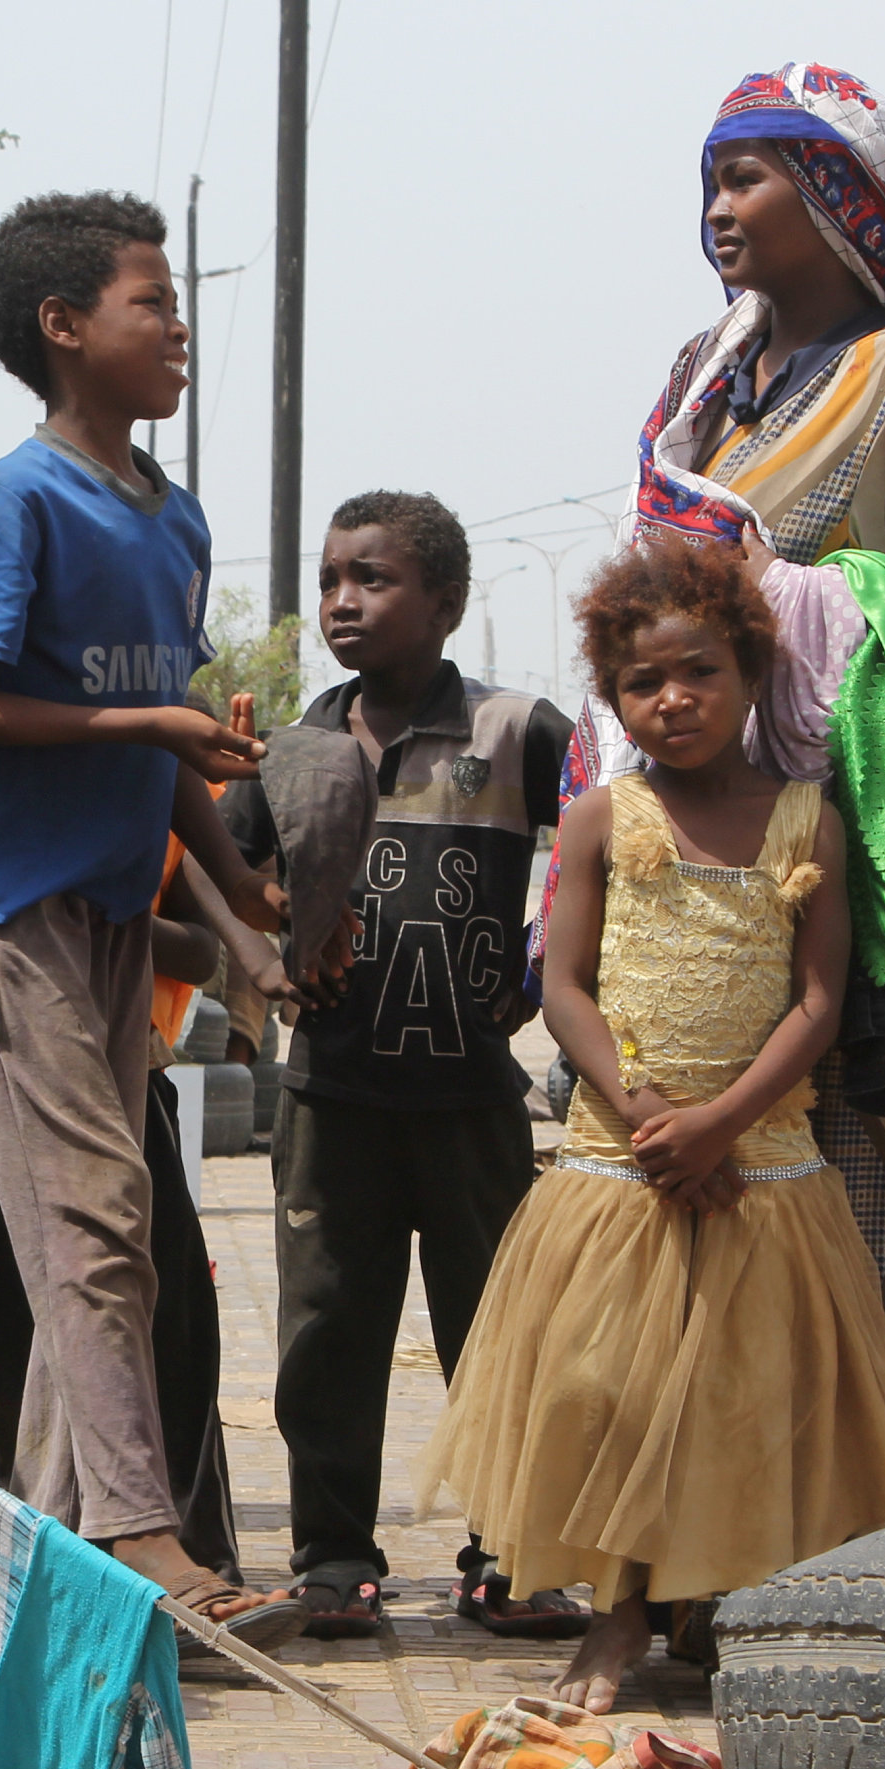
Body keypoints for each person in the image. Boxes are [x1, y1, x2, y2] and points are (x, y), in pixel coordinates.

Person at [563, 59, 885, 1432]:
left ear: (840, 201)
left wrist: (812, 599)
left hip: (838, 827)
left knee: (846, 1157)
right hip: (683, 825)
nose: (720, 205)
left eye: (750, 175)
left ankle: (852, 1504)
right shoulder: (704, 381)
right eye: (711, 177)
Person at [420, 532, 885, 1712]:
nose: (673, 698)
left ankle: (724, 1614)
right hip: (620, 1163)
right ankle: (616, 1615)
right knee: (603, 1393)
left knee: (743, 1401)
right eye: (643, 682)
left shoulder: (809, 822)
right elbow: (562, 985)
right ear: (614, 699)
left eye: (698, 670)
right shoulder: (602, 817)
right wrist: (652, 1116)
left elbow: (817, 1000)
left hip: (760, 1172)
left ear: (751, 673)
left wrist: (723, 1124)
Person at [0, 189, 300, 1643]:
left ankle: (61, 1565)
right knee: (92, 1221)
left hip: (118, 905)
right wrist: (142, 715)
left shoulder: (171, 517)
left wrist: (241, 898)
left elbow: (164, 738)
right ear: (65, 330)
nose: (178, 324)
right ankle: (140, 1533)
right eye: (152, 301)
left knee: (102, 1220)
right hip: (9, 909)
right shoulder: (16, 499)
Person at [221, 491, 576, 1638]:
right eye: (329, 580)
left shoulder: (517, 730)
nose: (340, 602)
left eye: (371, 580)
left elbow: (604, 859)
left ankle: (508, 1555)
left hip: (471, 1101)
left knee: (498, 1335)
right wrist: (260, 957)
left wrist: (540, 973)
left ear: (446, 601)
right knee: (325, 1334)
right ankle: (332, 1558)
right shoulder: (290, 748)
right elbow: (210, 881)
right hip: (331, 1099)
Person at [0, 848, 268, 1580]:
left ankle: (196, 1559)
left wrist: (105, 916)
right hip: (4, 1079)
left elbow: (200, 948)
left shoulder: (141, 812)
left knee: (162, 1321)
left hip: (129, 1076)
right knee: (17, 1328)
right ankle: (48, 1561)